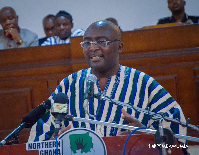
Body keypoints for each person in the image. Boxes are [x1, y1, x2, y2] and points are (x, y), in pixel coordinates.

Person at [28, 20, 187, 146]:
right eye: (87, 43)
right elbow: (42, 132)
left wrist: (147, 135)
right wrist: (55, 140)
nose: (93, 48)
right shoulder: (69, 85)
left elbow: (176, 136)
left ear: (119, 47)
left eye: (101, 42)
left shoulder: (143, 84)